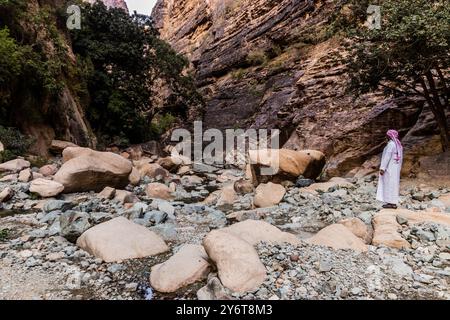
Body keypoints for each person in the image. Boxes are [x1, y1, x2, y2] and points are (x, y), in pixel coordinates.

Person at [376, 129, 403, 209]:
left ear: (390, 136)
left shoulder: (391, 144)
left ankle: (390, 202)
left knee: (388, 184)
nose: (386, 137)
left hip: (389, 169)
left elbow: (387, 157)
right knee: (393, 185)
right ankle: (393, 202)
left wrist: (382, 168)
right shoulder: (398, 145)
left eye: (387, 135)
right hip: (395, 169)